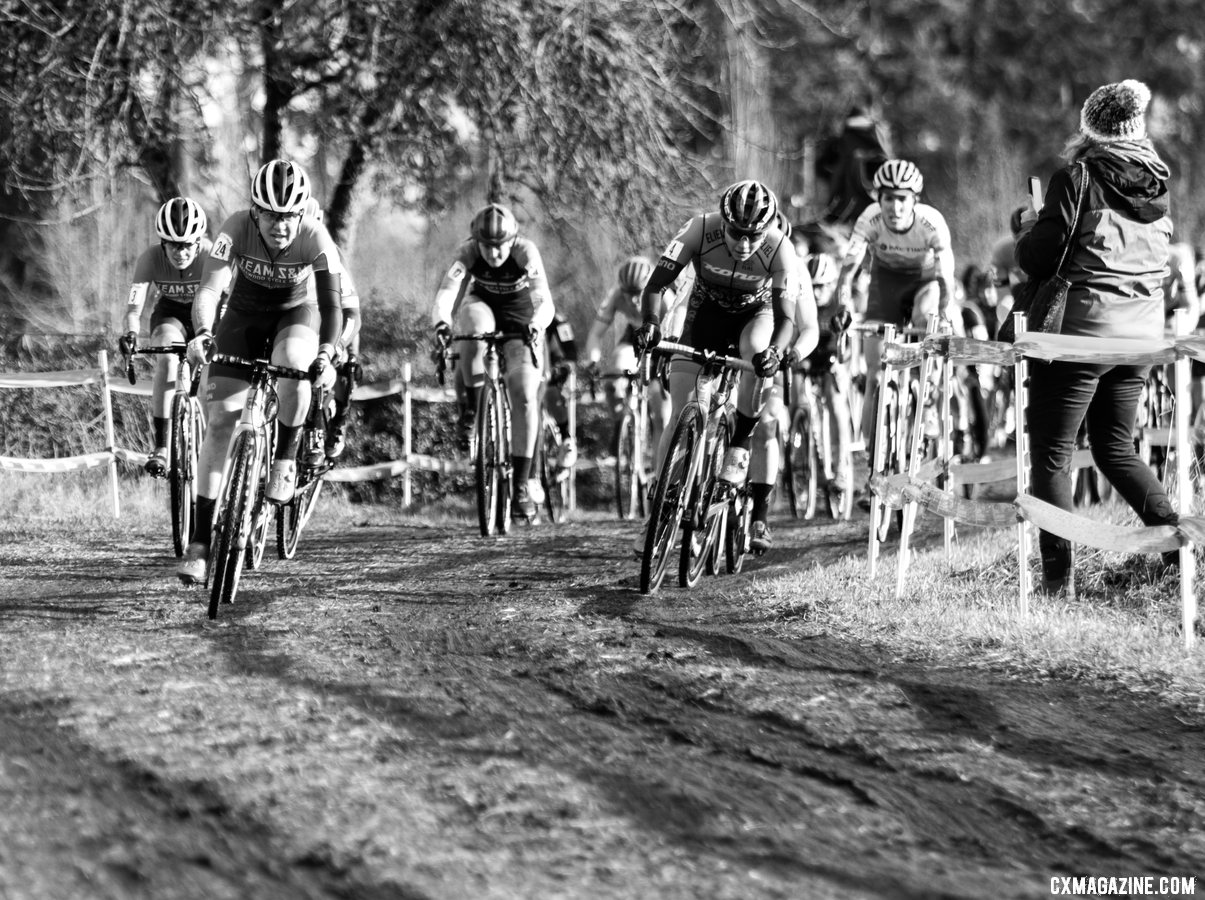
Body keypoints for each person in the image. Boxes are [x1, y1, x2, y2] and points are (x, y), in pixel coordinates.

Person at [1015, 78, 1178, 596]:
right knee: (1115, 447)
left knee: (1053, 453)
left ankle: (1057, 583)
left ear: (1091, 130)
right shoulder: (1158, 185)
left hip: (1079, 337)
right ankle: (1178, 548)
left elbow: (1039, 257)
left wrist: (1029, 228)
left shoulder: (1077, 178)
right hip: (1141, 336)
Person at [176, 159, 343, 584]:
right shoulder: (233, 229)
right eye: (271, 215)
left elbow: (332, 306)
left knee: (294, 364)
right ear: (255, 211)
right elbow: (210, 289)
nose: (281, 225)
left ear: (302, 212)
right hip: (244, 316)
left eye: (289, 215)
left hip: (296, 313)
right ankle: (199, 545)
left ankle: (285, 458)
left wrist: (326, 353)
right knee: (219, 424)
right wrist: (201, 333)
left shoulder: (316, 236)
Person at [637, 179, 814, 553]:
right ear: (724, 220)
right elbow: (656, 285)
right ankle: (660, 508)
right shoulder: (699, 228)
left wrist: (776, 352)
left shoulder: (781, 249)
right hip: (707, 314)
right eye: (736, 233)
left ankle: (739, 443)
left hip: (757, 314)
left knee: (755, 351)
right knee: (686, 409)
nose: (745, 243)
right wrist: (651, 324)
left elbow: (786, 320)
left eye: (755, 235)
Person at [431, 202, 554, 522]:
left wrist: (537, 324)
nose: (494, 254)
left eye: (500, 246)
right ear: (477, 242)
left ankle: (523, 482)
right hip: (482, 305)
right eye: (487, 246)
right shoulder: (467, 251)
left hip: (521, 317)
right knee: (469, 329)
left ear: (512, 240)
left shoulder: (526, 251)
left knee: (525, 392)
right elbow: (446, 293)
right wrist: (442, 324)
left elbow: (544, 300)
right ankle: (472, 410)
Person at [832, 159, 959, 458]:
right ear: (879, 199)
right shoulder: (870, 219)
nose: (895, 207)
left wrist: (942, 315)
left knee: (922, 316)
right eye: (889, 198)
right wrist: (842, 306)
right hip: (885, 285)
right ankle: (872, 455)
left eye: (903, 199)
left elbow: (945, 278)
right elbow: (847, 272)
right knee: (875, 372)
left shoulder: (931, 222)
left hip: (925, 283)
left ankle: (927, 393)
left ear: (914, 200)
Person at [118, 197, 212, 476]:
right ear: (163, 243)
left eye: (187, 245)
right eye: (173, 245)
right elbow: (134, 306)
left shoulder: (210, 254)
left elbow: (228, 297)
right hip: (170, 314)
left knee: (210, 374)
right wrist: (131, 334)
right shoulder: (149, 258)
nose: (180, 253)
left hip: (206, 315)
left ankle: (211, 442)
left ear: (198, 242)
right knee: (168, 361)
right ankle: (161, 446)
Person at [584, 255, 673, 457]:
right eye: (627, 293)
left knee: (662, 415)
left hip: (663, 341)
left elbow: (677, 331)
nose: (633, 300)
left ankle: (658, 471)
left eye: (638, 293)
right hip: (634, 336)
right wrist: (592, 362)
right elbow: (596, 334)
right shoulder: (615, 294)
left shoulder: (665, 297)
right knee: (614, 373)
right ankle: (621, 419)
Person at [299, 197, 363, 461]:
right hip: (297, 323)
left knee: (342, 363)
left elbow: (352, 313)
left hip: (329, 324)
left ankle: (334, 420)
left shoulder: (329, 254)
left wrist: (343, 349)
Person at [814, 105, 892, 227]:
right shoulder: (877, 135)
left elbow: (820, 167)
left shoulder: (844, 141)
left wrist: (830, 177)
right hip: (872, 205)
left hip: (845, 207)